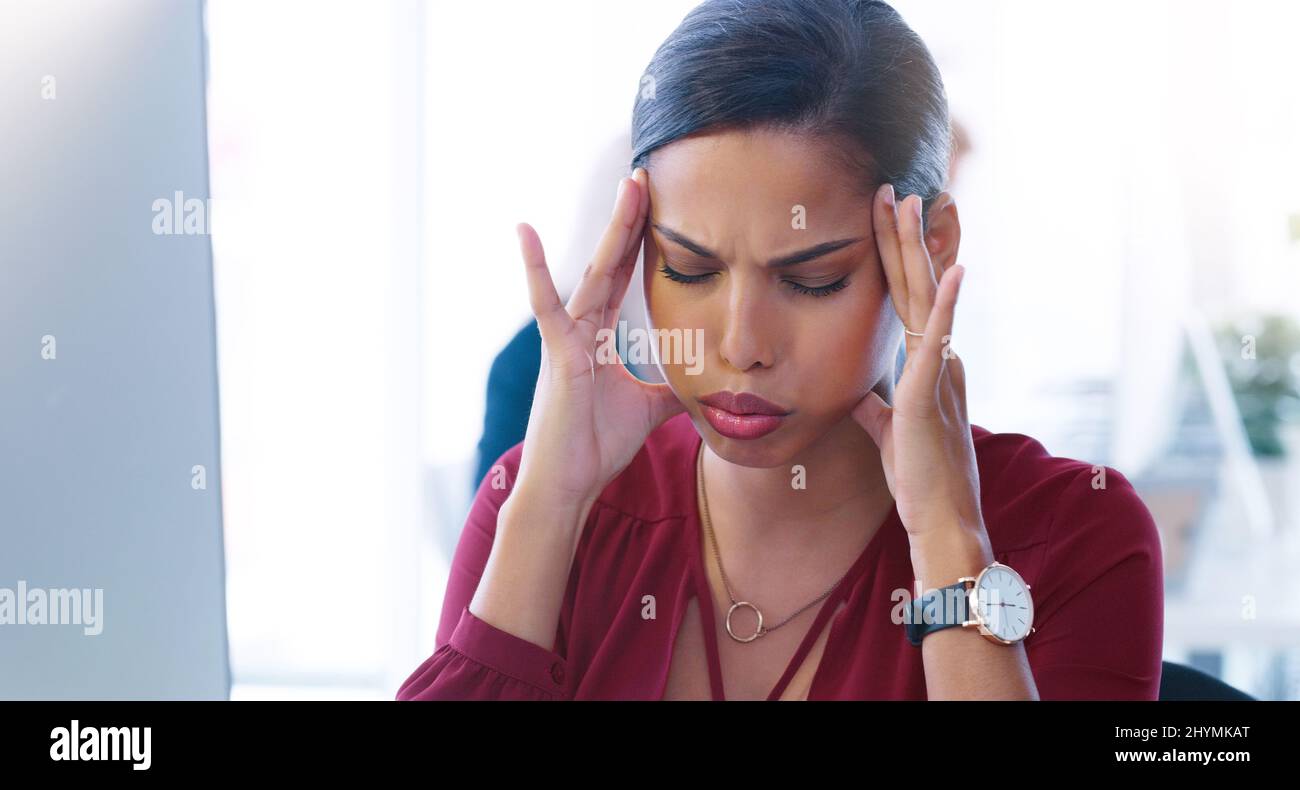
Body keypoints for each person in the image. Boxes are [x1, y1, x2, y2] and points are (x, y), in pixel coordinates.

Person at [398, 0, 1163, 700]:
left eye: (811, 279)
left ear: (930, 246)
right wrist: (549, 509)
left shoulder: (1077, 536)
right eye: (689, 268)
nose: (740, 346)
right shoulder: (534, 500)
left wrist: (946, 539)